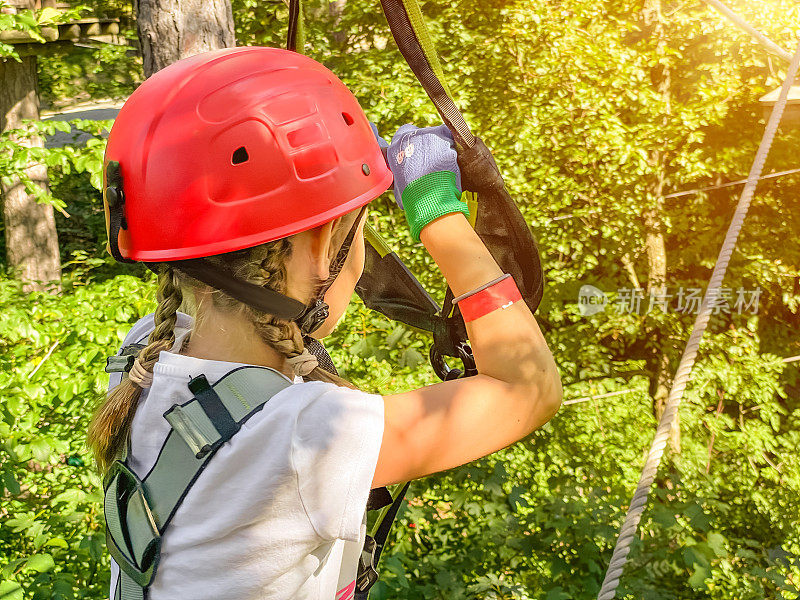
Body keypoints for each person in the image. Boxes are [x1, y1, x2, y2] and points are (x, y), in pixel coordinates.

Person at [89, 46, 561, 600]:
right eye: (353, 230)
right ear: (318, 249)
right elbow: (528, 386)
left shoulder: (145, 354)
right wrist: (440, 215)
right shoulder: (302, 436)